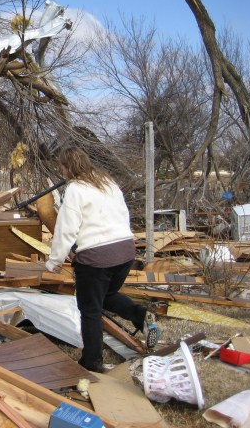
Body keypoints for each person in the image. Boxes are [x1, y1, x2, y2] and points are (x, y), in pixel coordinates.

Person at [45, 146, 160, 373]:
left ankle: (91, 362)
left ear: (68, 167)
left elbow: (66, 229)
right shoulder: (108, 183)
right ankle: (141, 315)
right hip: (125, 250)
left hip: (97, 257)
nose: (61, 170)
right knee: (105, 296)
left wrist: (54, 262)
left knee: (90, 310)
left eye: (62, 166)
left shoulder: (76, 189)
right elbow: (123, 215)